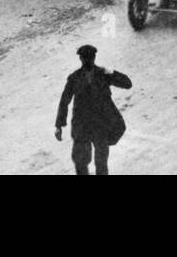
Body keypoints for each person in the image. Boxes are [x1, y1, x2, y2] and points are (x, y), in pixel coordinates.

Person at [54, 45, 131, 176]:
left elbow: (127, 84)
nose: (87, 61)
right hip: (81, 126)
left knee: (101, 162)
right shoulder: (74, 78)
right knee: (80, 162)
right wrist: (59, 125)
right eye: (85, 58)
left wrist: (112, 72)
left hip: (100, 125)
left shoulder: (103, 74)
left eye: (90, 58)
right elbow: (64, 100)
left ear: (94, 58)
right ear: (81, 59)